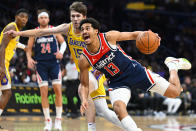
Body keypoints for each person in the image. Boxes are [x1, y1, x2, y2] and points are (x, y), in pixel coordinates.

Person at [6, 2, 123, 130]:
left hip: (95, 70)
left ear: (84, 17)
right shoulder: (67, 28)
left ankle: (80, 125)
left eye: (78, 16)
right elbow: (39, 34)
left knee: (82, 90)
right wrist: (18, 34)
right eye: (73, 16)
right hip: (80, 71)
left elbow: (107, 44)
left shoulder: (92, 31)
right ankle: (130, 127)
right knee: (104, 111)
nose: (75, 19)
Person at [78, 18, 191, 131]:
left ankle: (173, 66)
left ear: (96, 31)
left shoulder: (108, 37)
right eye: (82, 30)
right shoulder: (84, 59)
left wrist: (148, 35)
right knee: (118, 107)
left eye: (87, 28)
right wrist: (84, 99)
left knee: (175, 92)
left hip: (134, 71)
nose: (84, 32)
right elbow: (84, 84)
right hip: (116, 81)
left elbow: (133, 35)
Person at [26, 9, 66, 131]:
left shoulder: (54, 30)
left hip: (54, 64)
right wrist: (28, 59)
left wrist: (61, 52)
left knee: (58, 91)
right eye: (41, 17)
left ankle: (58, 120)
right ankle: (47, 121)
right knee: (44, 93)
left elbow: (63, 43)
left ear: (48, 19)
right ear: (38, 20)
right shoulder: (35, 32)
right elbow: (28, 48)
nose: (43, 19)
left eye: (45, 17)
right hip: (41, 65)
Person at [0, 8, 29, 129]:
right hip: (2, 62)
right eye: (21, 16)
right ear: (16, 16)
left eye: (26, 17)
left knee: (4, 92)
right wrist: (1, 66)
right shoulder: (11, 27)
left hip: (4, 63)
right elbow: (2, 47)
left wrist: (25, 47)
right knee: (7, 92)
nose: (24, 19)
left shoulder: (15, 31)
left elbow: (14, 43)